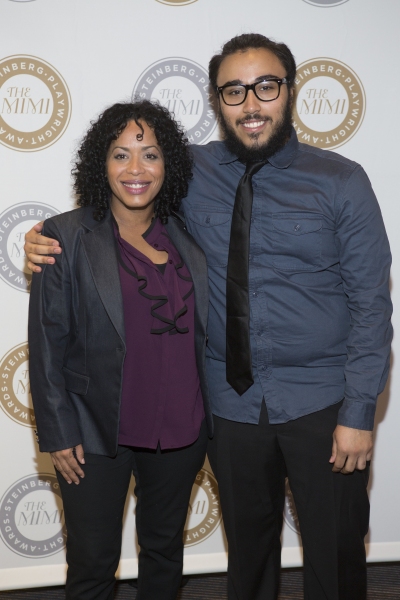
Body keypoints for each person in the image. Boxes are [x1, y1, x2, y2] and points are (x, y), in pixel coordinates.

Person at [25, 34, 392, 600]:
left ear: (289, 91)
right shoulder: (189, 169)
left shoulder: (342, 181)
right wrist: (44, 236)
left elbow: (373, 304)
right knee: (247, 555)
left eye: (265, 87)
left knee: (336, 552)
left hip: (322, 401)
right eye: (234, 91)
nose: (251, 104)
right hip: (230, 405)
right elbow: (124, 182)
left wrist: (360, 410)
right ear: (218, 100)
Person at [28, 99, 213, 600]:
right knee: (92, 564)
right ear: (99, 163)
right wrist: (59, 430)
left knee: (164, 554)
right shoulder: (64, 236)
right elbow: (47, 343)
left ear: (167, 165)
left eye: (150, 155)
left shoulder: (188, 235)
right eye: (120, 155)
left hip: (181, 427)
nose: (136, 169)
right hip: (93, 430)